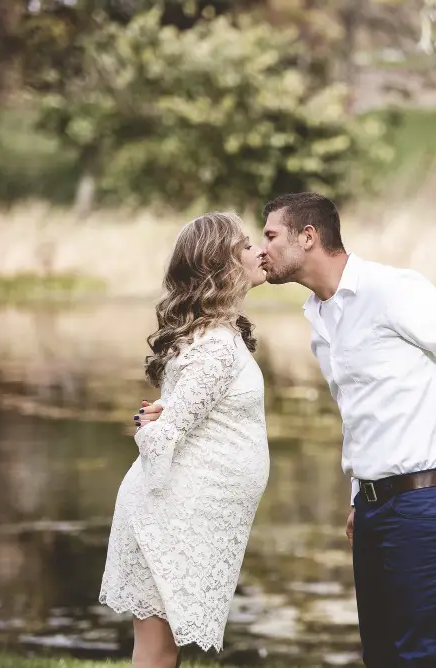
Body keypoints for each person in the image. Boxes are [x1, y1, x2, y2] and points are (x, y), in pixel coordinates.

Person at [138, 193, 436, 667]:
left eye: (270, 236)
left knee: (423, 658)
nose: (263, 250)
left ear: (307, 237)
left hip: (430, 502)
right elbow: (360, 416)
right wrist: (361, 494)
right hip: (377, 508)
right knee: (381, 657)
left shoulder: (392, 290)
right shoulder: (318, 316)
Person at [102, 212, 271, 668]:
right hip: (167, 514)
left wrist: (161, 418)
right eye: (246, 245)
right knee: (157, 650)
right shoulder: (214, 345)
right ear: (221, 264)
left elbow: (177, 414)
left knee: (162, 649)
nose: (259, 252)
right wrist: (150, 424)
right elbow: (161, 435)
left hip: (183, 512)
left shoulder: (221, 336)